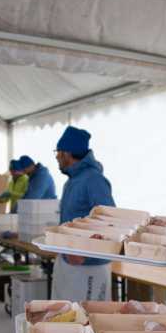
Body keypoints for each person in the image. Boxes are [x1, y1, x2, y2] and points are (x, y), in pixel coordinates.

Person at [51, 126, 115, 302]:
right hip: (69, 260)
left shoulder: (93, 180)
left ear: (68, 154)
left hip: (89, 265)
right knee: (67, 318)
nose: (56, 156)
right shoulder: (71, 181)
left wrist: (87, 253)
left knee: (87, 321)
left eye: (58, 151)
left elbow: (111, 222)